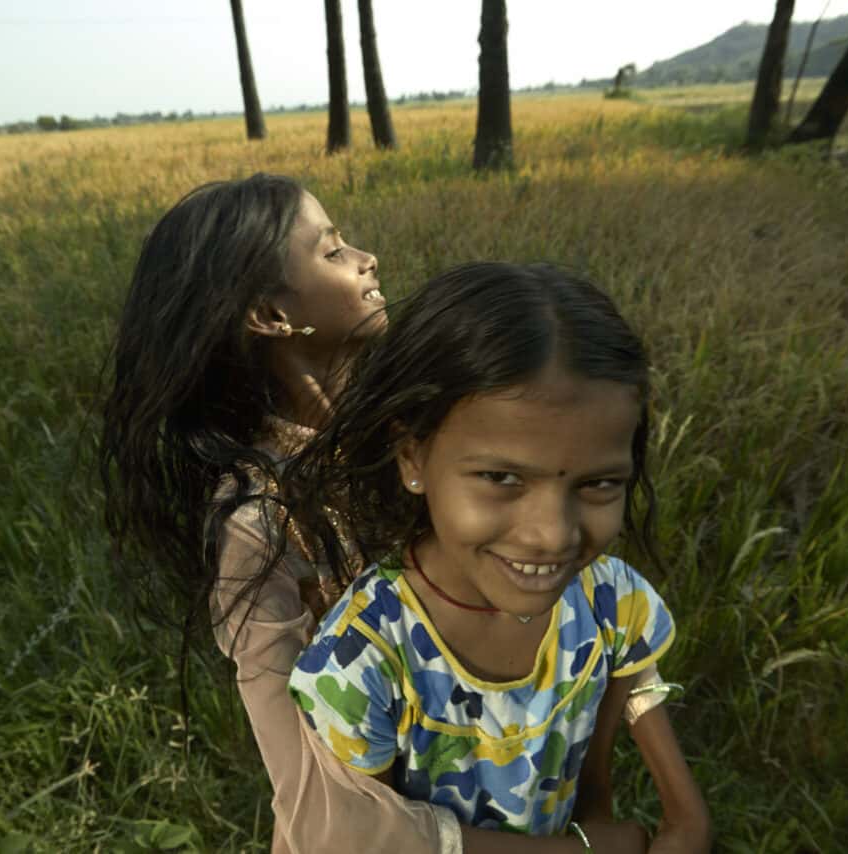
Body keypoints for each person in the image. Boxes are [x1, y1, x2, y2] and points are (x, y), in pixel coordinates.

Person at [286, 262, 712, 850]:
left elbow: (609, 787)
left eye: (599, 484)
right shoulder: (362, 661)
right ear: (412, 458)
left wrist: (682, 828)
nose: (552, 536)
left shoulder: (609, 600)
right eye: (502, 476)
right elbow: (377, 839)